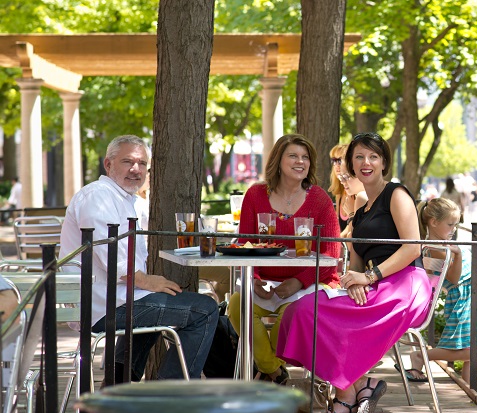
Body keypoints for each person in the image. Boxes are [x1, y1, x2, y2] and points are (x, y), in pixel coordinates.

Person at [277, 133, 433, 413]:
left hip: (406, 283)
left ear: (384, 162)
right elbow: (358, 260)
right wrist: (353, 281)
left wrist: (370, 278)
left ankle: (348, 394)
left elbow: (412, 249)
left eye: (373, 156)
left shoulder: (396, 194)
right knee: (301, 310)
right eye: (359, 157)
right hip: (377, 283)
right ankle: (358, 385)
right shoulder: (361, 208)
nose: (366, 162)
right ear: (350, 163)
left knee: (321, 314)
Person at [59, 135, 218, 381]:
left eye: (142, 164)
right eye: (128, 162)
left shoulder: (128, 200)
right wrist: (146, 280)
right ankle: (169, 398)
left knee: (158, 300)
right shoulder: (98, 196)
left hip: (115, 300)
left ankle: (118, 387)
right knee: (205, 310)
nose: (136, 169)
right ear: (108, 164)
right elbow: (110, 256)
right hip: (101, 306)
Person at [226, 134, 341, 384]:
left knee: (292, 315)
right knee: (236, 305)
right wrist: (254, 278)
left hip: (309, 284)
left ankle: (272, 371)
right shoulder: (255, 195)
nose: (300, 162)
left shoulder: (319, 199)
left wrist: (298, 282)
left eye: (305, 157)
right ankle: (276, 372)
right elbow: (244, 245)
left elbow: (331, 255)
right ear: (278, 160)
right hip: (267, 283)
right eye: (293, 156)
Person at [400, 198, 477, 384]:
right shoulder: (434, 248)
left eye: (456, 224)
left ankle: (471, 391)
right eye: (450, 224)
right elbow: (453, 277)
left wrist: (455, 251)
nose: (454, 229)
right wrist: (457, 254)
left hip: (474, 292)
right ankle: (421, 356)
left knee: (475, 348)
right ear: (434, 222)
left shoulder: (443, 244)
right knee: (471, 350)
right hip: (463, 295)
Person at [327, 143, 367, 236]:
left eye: (340, 160)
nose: (337, 165)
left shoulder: (358, 194)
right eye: (334, 161)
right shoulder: (341, 192)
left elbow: (352, 235)